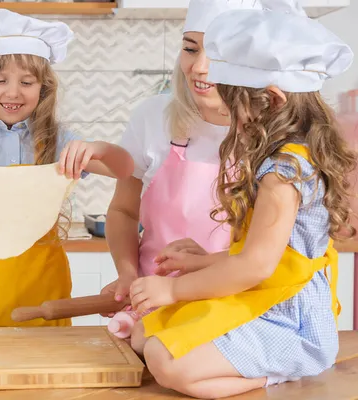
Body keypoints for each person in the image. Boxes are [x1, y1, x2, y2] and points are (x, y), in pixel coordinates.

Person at [129, 3, 355, 398]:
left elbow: (256, 267)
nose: (228, 117)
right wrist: (202, 262)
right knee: (140, 336)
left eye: (232, 103)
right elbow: (267, 256)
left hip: (287, 317)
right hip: (266, 291)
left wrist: (173, 291)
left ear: (272, 100)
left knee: (167, 364)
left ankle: (285, 369)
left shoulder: (285, 173)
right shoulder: (277, 158)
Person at [0, 9, 134, 328]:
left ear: (43, 88)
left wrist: (98, 148)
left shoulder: (58, 140)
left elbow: (126, 169)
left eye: (26, 82)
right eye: (0, 80)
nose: (13, 92)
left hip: (44, 288)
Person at [101, 0, 265, 337]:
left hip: (236, 311)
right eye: (191, 49)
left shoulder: (271, 134)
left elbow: (265, 257)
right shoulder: (153, 116)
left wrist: (208, 265)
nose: (199, 67)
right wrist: (128, 275)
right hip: (151, 306)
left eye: (217, 54)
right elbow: (123, 211)